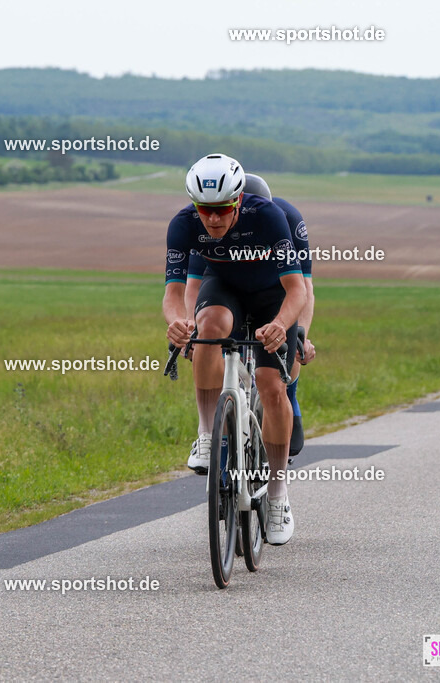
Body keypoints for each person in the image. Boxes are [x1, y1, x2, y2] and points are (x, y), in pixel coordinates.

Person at [163, 154, 306, 545]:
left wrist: (281, 325)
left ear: (239, 200)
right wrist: (178, 322)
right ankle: (207, 434)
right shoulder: (183, 225)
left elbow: (297, 289)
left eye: (222, 210)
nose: (213, 220)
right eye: (204, 210)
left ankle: (277, 494)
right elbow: (175, 293)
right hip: (225, 289)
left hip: (271, 297)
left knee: (271, 384)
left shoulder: (269, 217)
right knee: (207, 328)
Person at [183, 174, 316, 462]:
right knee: (212, 339)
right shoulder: (208, 227)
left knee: (287, 355)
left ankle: (288, 397)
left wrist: (301, 332)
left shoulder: (287, 220)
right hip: (229, 292)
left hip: (273, 292)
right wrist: (193, 329)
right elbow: (193, 285)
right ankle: (219, 431)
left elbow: (303, 287)